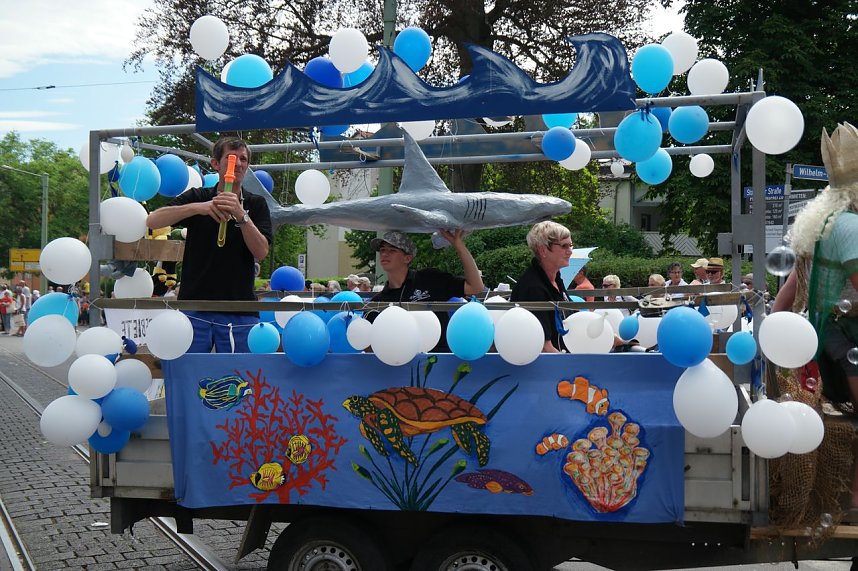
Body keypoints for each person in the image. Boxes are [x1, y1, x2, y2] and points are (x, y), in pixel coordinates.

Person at [772, 122, 858, 508]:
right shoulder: (851, 226)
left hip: (821, 341)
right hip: (845, 340)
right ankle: (855, 501)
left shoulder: (822, 224)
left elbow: (787, 296)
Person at [146, 135, 273, 353]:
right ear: (215, 164)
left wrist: (241, 215)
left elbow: (261, 252)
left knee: (239, 372)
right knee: (193, 369)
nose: (238, 164)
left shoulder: (256, 203)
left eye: (243, 159)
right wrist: (199, 208)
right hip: (194, 307)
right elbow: (153, 220)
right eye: (231, 158)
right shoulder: (199, 196)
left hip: (240, 309)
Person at [369, 229, 483, 352]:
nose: (384, 254)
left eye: (392, 250)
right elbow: (369, 343)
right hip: (399, 361)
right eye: (382, 250)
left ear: (407, 258)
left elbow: (475, 287)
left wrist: (458, 244)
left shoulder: (430, 278)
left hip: (441, 359)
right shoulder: (378, 302)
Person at [510, 221, 572, 353]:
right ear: (543, 250)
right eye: (564, 246)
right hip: (549, 363)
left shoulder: (554, 279)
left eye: (570, 245)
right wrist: (574, 362)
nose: (570, 251)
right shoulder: (533, 288)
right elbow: (544, 347)